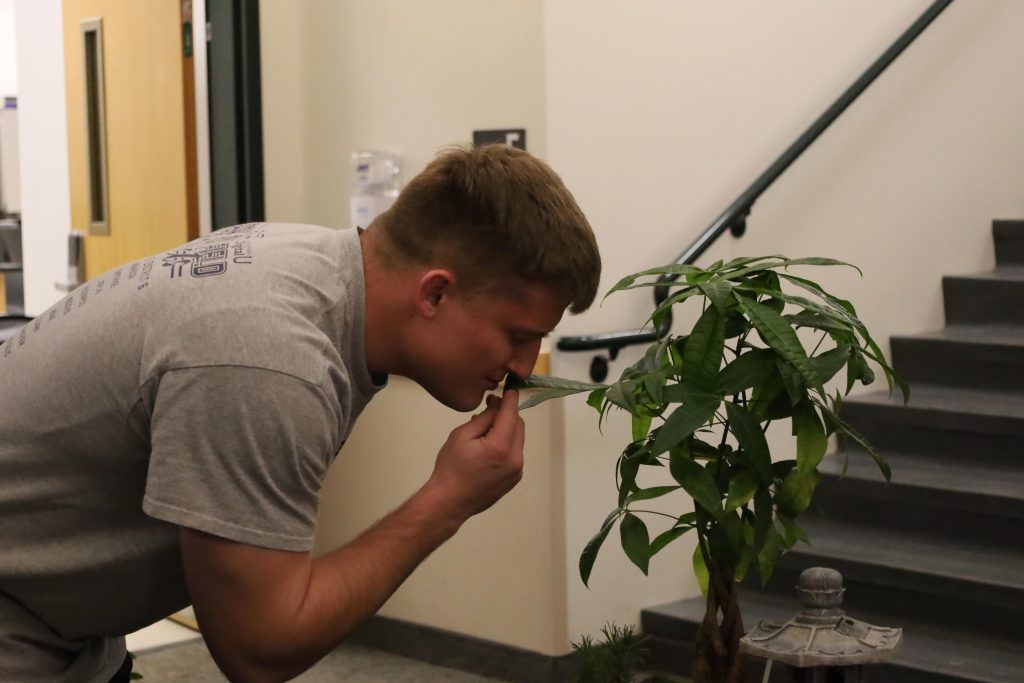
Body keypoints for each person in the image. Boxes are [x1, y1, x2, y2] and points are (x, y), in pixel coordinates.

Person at [0, 144, 601, 682]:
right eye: (518, 334)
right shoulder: (266, 356)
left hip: (64, 627)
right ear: (435, 293)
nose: (524, 365)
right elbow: (259, 651)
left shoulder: (305, 263)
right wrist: (447, 499)